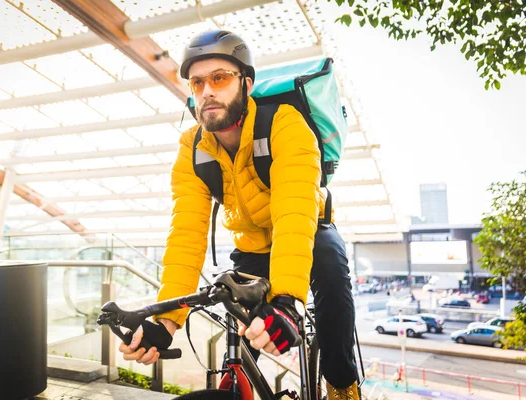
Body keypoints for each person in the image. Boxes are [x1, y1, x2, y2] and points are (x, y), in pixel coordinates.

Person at [118, 30, 359, 399]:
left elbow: (294, 216)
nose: (206, 91)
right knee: (243, 331)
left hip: (309, 234)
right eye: (197, 83)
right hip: (251, 247)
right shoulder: (192, 148)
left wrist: (287, 303)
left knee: (333, 296)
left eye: (219, 78)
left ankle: (342, 386)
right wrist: (165, 323)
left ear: (246, 83)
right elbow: (187, 235)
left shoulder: (285, 124)